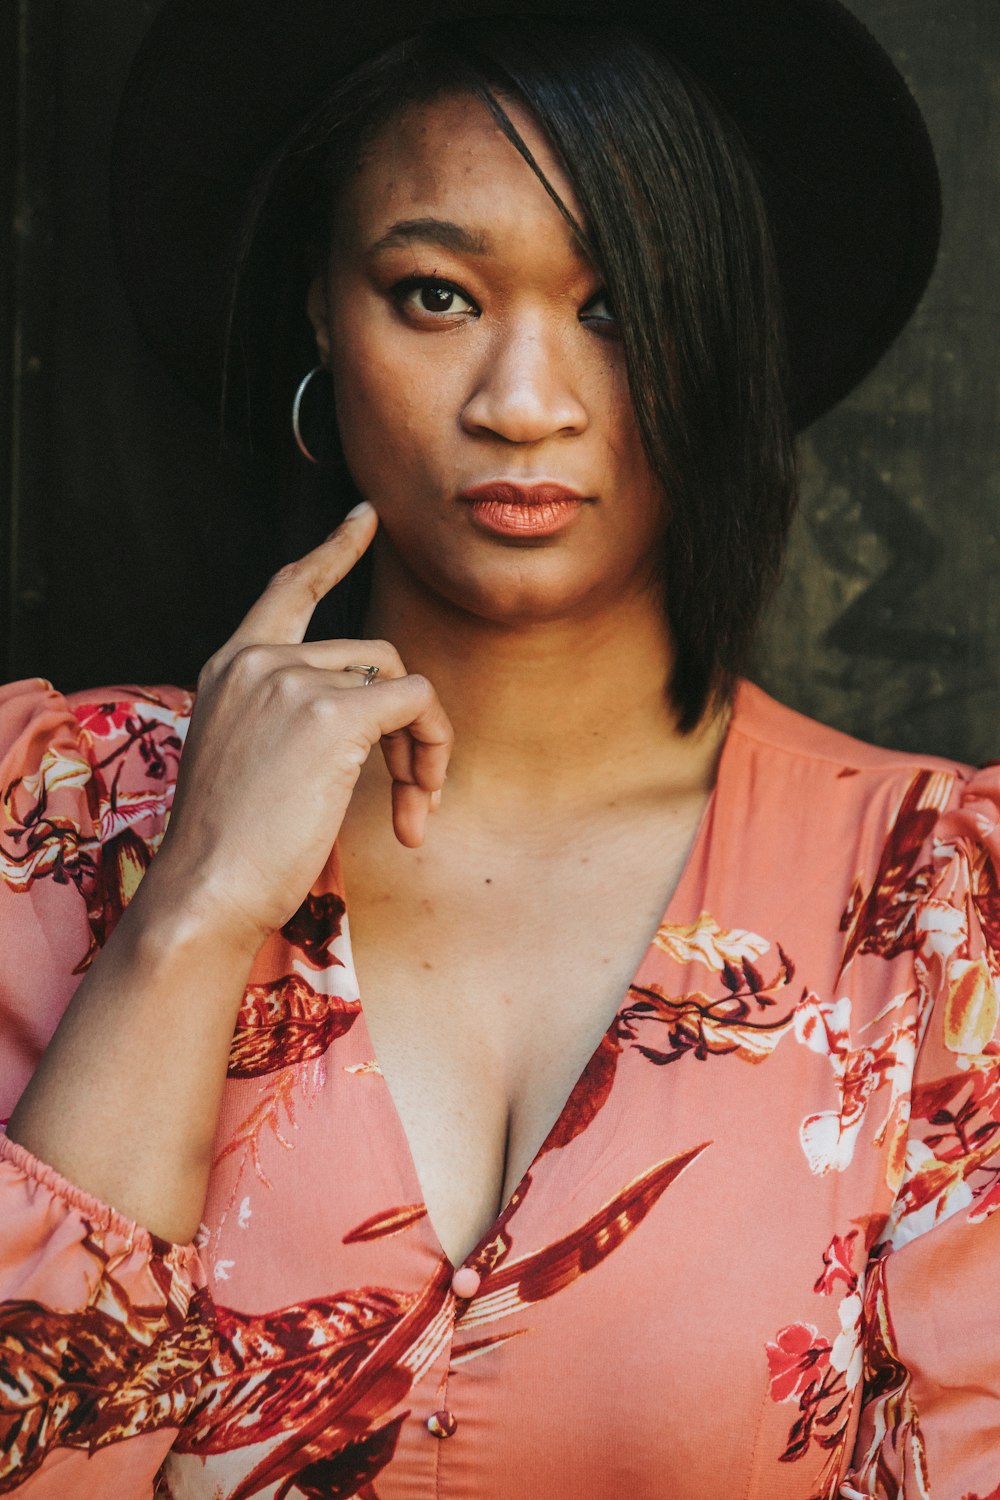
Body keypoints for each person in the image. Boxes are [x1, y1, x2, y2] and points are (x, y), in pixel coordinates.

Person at [0, 0, 997, 1496]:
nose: (522, 403)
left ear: (723, 342)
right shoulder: (56, 823)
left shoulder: (943, 917)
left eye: (616, 305)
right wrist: (188, 917)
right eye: (434, 295)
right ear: (321, 321)